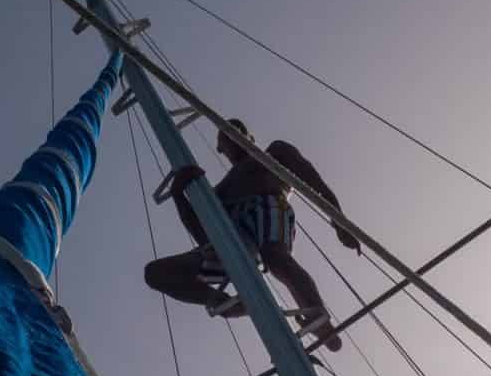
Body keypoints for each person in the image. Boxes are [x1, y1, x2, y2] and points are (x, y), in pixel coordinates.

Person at [143, 119, 359, 351]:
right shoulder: (217, 192)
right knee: (157, 273)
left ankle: (319, 319)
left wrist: (338, 220)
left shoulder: (273, 153)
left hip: (268, 207)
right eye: (224, 136)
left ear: (250, 136)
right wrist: (179, 193)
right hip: (235, 236)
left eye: (237, 130)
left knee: (277, 259)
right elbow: (203, 234)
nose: (231, 136)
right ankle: (227, 303)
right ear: (220, 149)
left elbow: (312, 180)